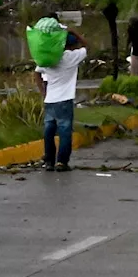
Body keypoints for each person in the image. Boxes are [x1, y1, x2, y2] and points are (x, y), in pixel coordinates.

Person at [35, 27, 88, 171]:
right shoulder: (72, 57)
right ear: (71, 46)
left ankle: (49, 161)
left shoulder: (50, 56)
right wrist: (74, 31)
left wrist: (43, 92)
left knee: (49, 131)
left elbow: (37, 73)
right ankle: (61, 162)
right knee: (64, 131)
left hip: (50, 100)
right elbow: (86, 45)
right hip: (65, 100)